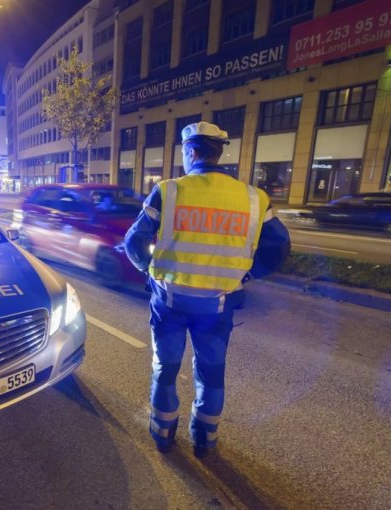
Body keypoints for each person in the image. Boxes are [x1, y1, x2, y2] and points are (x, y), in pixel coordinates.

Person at [124, 121, 291, 458]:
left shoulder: (169, 190)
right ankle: (205, 438)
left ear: (190, 152)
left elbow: (134, 241)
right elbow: (279, 246)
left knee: (166, 369)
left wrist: (148, 271)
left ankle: (162, 433)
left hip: (170, 302)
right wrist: (246, 275)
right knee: (211, 373)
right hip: (218, 306)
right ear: (218, 154)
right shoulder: (254, 198)